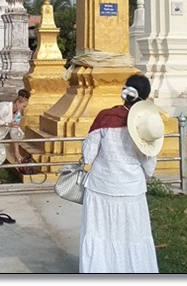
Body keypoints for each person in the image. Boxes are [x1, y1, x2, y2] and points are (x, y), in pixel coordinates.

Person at [78, 74, 164, 273]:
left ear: (125, 92)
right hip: (131, 191)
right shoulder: (146, 124)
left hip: (101, 187)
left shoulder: (105, 117)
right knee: (131, 237)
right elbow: (149, 167)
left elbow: (89, 155)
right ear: (145, 97)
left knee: (99, 235)